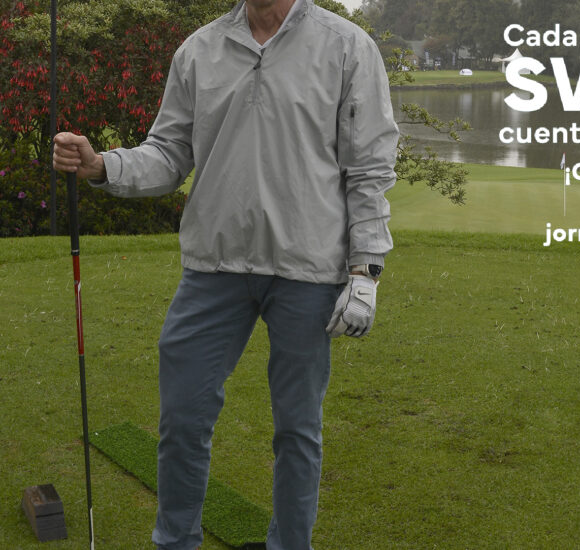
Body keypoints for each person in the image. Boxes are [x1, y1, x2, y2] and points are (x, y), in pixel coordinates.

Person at [52, 0, 398, 548]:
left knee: (297, 429)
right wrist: (102, 165)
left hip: (308, 270)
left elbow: (369, 167)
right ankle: (175, 541)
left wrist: (366, 270)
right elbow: (169, 154)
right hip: (213, 267)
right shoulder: (199, 50)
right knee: (182, 419)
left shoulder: (347, 47)